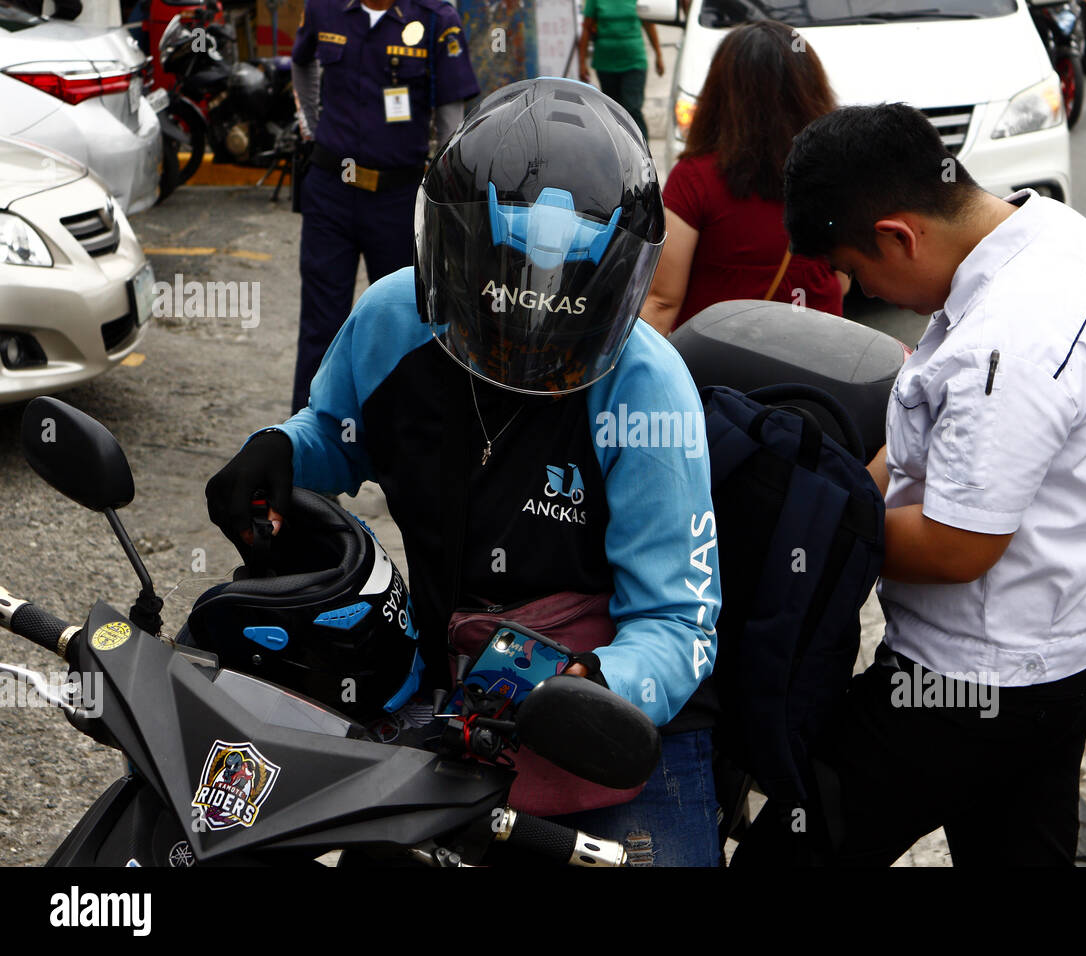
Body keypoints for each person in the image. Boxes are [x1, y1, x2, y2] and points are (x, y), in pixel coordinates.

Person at [205, 78, 722, 867]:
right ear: (452, 253)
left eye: (559, 320)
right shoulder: (390, 318)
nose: (525, 345)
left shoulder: (648, 389)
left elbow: (680, 625)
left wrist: (589, 686)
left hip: (611, 716)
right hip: (445, 685)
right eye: (503, 303)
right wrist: (282, 447)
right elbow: (337, 433)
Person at [773, 103, 1086, 865]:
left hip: (976, 684)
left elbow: (954, 544)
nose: (854, 288)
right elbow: (916, 442)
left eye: (854, 268)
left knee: (796, 843)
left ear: (898, 235)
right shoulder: (1054, 232)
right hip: (1080, 634)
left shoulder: (1001, 347)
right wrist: (847, 490)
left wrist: (804, 537)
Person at [288, 0, 480, 414]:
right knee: (320, 326)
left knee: (403, 325)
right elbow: (301, 62)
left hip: (396, 199)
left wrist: (445, 195)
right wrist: (313, 123)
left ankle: (405, 448)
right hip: (329, 191)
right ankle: (304, 446)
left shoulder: (435, 18)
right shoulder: (325, 8)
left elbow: (450, 118)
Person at [640, 20, 845, 336]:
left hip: (718, 371)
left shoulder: (694, 180)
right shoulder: (834, 173)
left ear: (720, 92)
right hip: (820, 360)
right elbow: (842, 280)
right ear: (810, 89)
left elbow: (662, 302)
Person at [576, 0, 663, 143]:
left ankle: (642, 153)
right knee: (612, 112)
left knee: (632, 108)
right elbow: (586, 28)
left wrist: (658, 55)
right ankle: (619, 153)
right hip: (606, 64)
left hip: (634, 62)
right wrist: (581, 63)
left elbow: (649, 25)